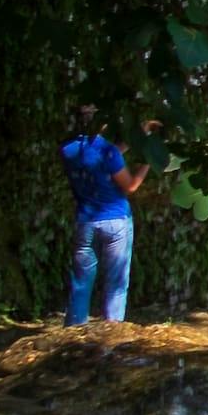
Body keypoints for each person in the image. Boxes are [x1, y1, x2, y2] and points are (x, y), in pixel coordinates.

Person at [58, 116, 151, 325]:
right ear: (103, 123)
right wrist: (150, 161)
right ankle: (112, 335)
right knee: (115, 285)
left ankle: (72, 334)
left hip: (86, 223)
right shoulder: (108, 151)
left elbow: (103, 159)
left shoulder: (68, 150)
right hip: (116, 222)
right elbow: (131, 186)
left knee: (81, 284)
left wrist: (137, 137)